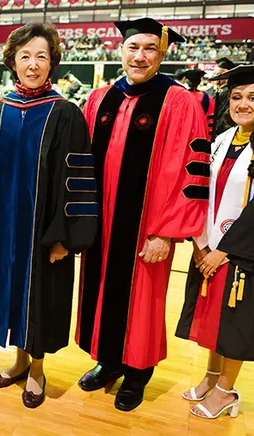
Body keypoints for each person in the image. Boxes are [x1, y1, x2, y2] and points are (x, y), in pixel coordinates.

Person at [76, 17, 210, 412]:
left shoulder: (179, 101)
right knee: (101, 292)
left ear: (163, 53)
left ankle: (138, 371)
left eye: (149, 49)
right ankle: (109, 361)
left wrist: (165, 232)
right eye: (133, 47)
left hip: (146, 229)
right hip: (101, 223)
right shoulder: (99, 99)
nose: (140, 56)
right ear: (120, 51)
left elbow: (188, 169)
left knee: (142, 299)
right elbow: (80, 165)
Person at [0, 23, 98, 409]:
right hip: (4, 229)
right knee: (11, 294)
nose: (33, 64)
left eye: (41, 56)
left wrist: (65, 237)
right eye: (25, 55)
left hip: (46, 233)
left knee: (42, 297)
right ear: (12, 60)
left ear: (53, 63)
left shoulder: (66, 114)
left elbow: (78, 181)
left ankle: (37, 369)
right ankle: (17, 360)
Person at [176, 63, 254, 419]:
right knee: (212, 320)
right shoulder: (220, 142)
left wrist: (223, 251)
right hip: (208, 247)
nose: (243, 104)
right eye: (237, 97)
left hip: (244, 255)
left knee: (235, 323)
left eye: (253, 98)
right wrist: (200, 244)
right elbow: (197, 191)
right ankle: (212, 377)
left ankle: (226, 391)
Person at [179, 68, 215, 138]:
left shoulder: (181, 97)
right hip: (201, 134)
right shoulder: (207, 98)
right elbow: (210, 120)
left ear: (186, 81)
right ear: (199, 82)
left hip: (183, 133)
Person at [211, 57, 238, 138]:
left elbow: (221, 114)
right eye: (215, 73)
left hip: (219, 130)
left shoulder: (228, 91)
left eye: (218, 73)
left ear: (227, 75)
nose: (215, 76)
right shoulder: (213, 89)